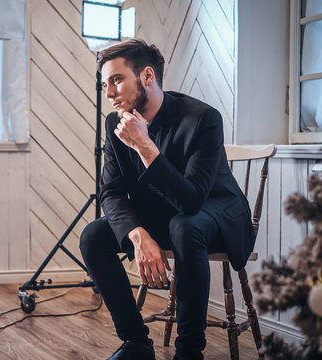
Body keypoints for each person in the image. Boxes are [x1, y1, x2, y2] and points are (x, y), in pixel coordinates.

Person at [79, 39, 255, 360]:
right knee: (93, 236)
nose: (109, 94)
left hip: (216, 214)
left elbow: (191, 202)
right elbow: (111, 192)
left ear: (147, 76)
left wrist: (145, 146)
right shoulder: (115, 123)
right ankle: (136, 344)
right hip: (165, 217)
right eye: (105, 84)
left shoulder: (203, 119)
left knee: (185, 225)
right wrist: (138, 233)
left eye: (117, 80)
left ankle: (189, 352)